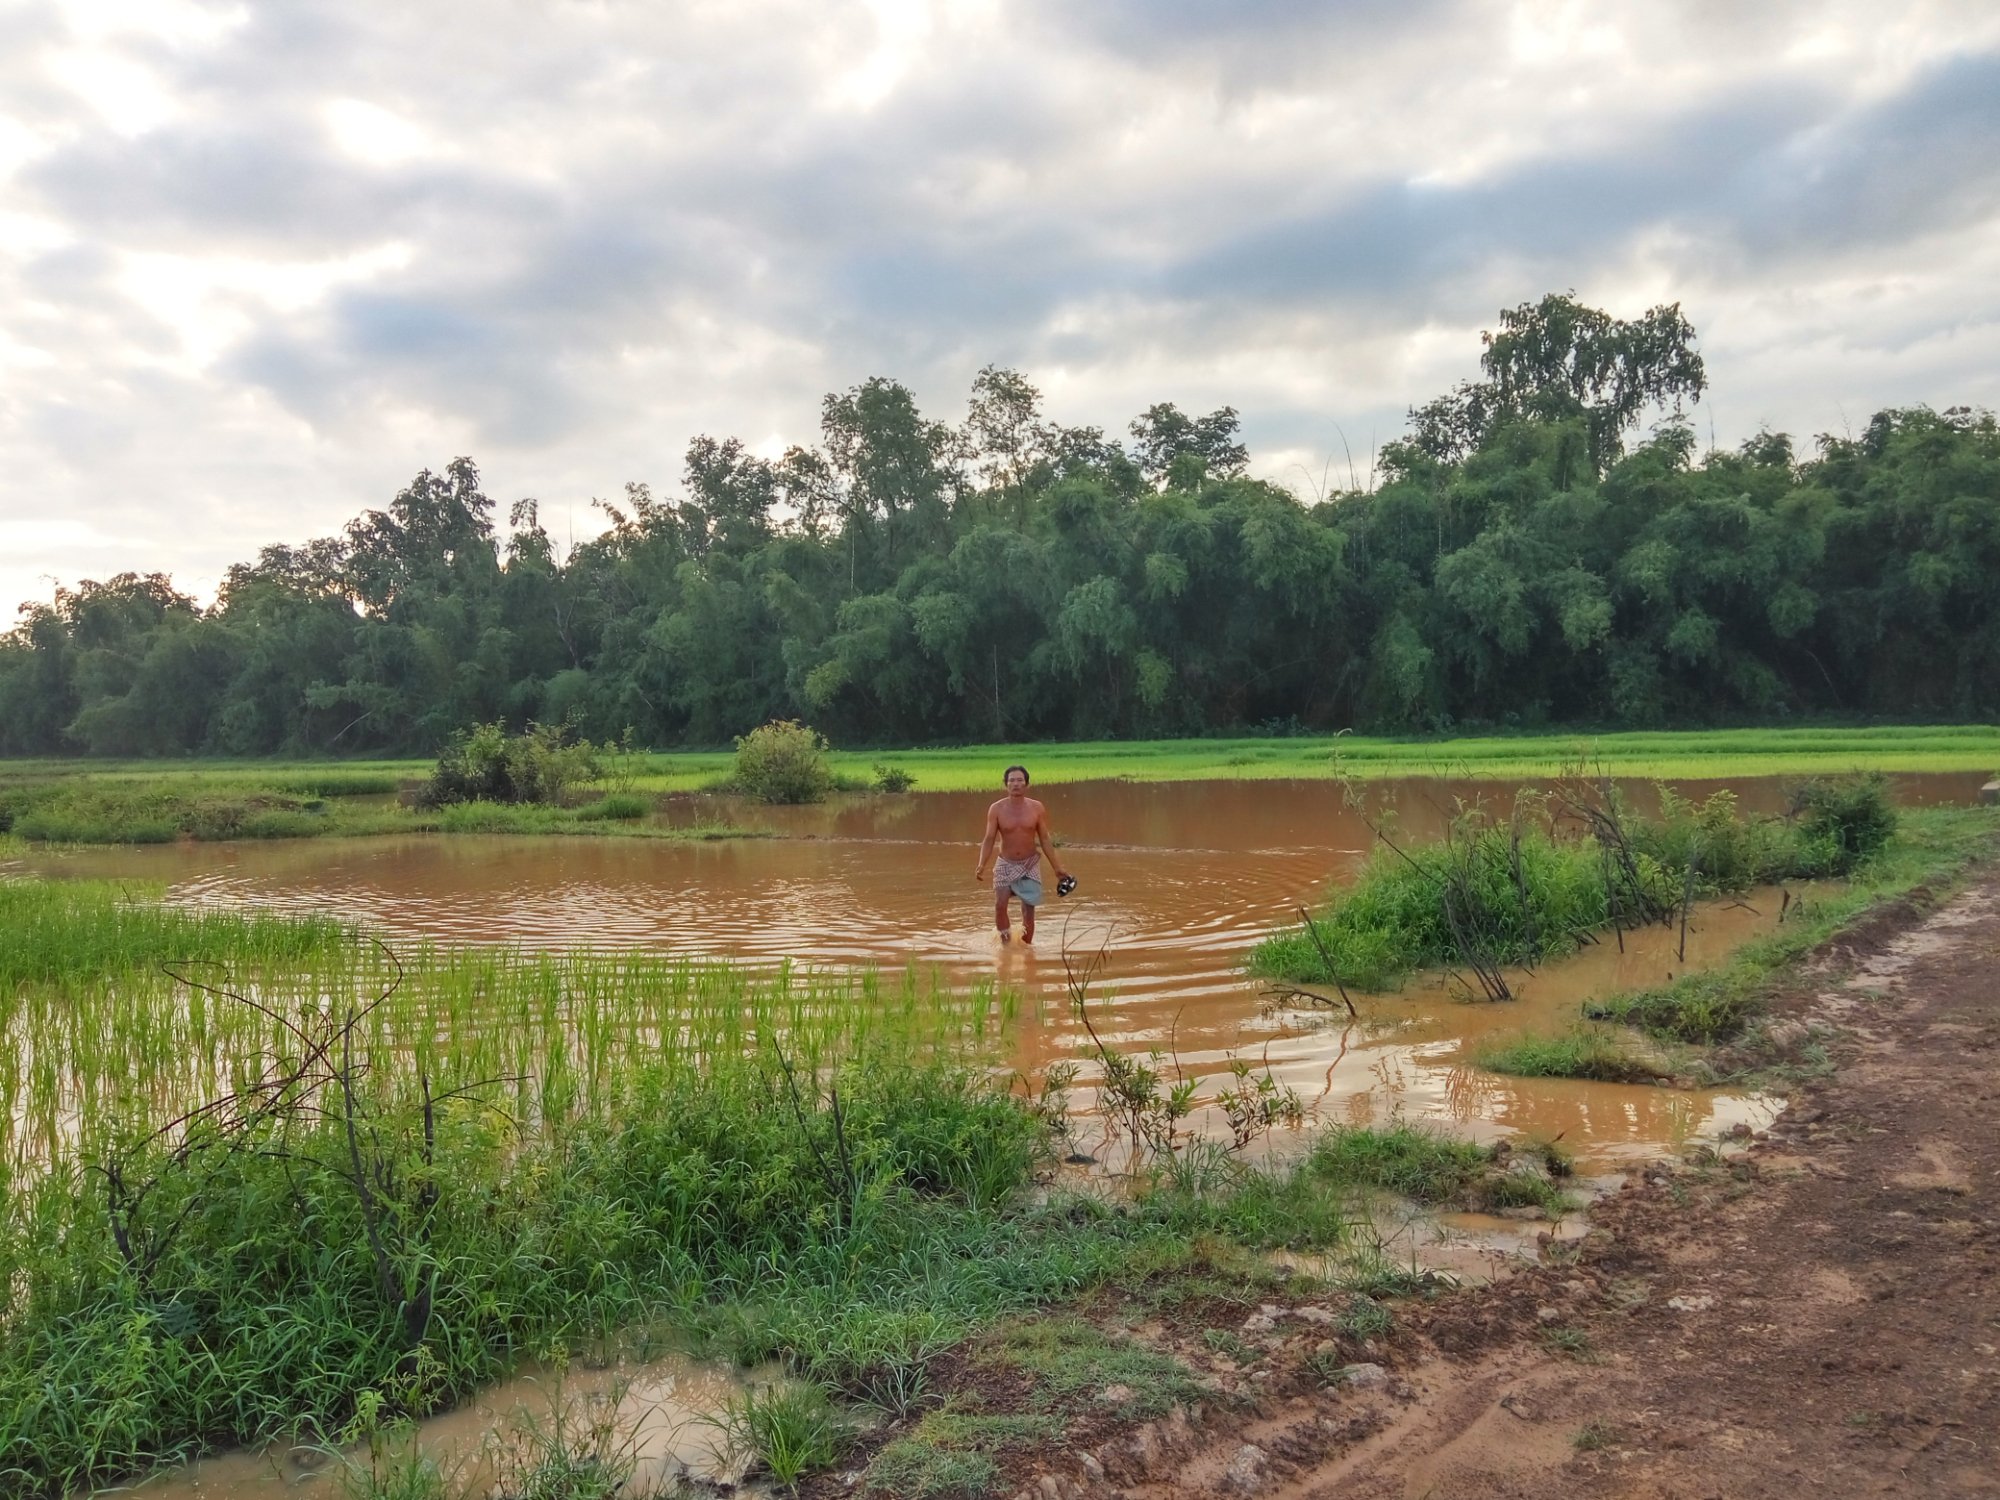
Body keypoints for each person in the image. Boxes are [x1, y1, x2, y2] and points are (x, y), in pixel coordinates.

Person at [973, 764, 1070, 944]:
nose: (1015, 784)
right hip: (1005, 863)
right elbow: (988, 838)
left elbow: (1045, 839)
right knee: (1000, 905)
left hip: (1029, 863)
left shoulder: (1037, 808)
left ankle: (1026, 948)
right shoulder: (996, 809)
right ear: (1005, 785)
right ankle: (1006, 945)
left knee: (1028, 910)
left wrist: (1058, 868)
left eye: (1019, 780)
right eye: (1011, 780)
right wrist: (981, 864)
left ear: (1027, 784)